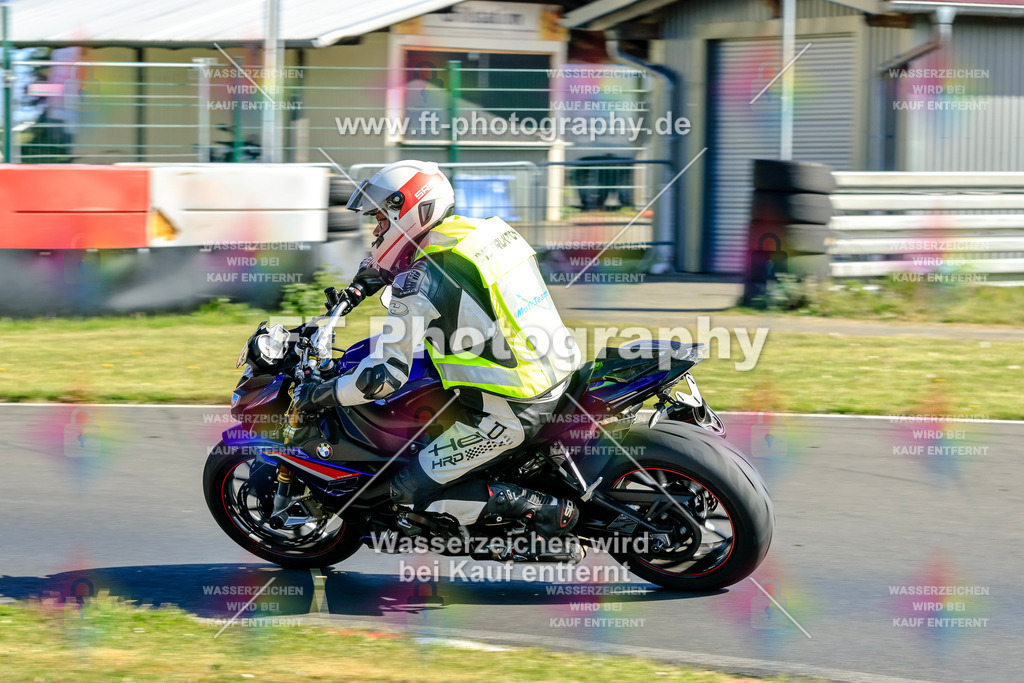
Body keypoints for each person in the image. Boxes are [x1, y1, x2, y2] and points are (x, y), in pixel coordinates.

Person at [295, 160, 583, 539]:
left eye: (381, 220)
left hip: (511, 408)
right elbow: (425, 264)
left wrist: (322, 394)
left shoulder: (417, 286)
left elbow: (381, 379)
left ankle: (544, 509)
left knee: (408, 492)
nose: (376, 230)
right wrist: (366, 282)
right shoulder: (482, 233)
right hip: (557, 370)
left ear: (410, 211)